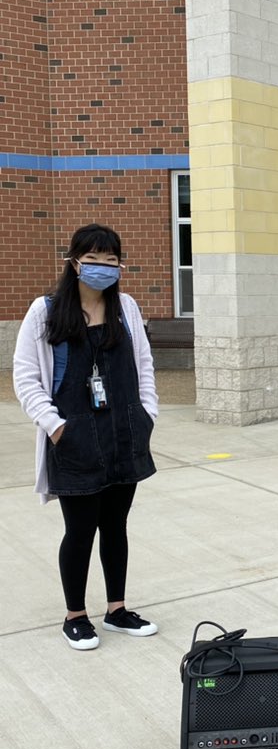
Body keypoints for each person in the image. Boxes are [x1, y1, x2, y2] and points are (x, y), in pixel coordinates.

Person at [13, 224, 160, 650]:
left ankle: (117, 609)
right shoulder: (45, 311)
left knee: (116, 525)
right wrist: (56, 427)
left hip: (124, 432)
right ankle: (75, 615)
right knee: (80, 530)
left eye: (110, 261)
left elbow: (144, 366)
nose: (102, 268)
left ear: (120, 265)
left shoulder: (125, 307)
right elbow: (26, 378)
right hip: (74, 436)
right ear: (74, 261)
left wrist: (146, 415)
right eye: (92, 259)